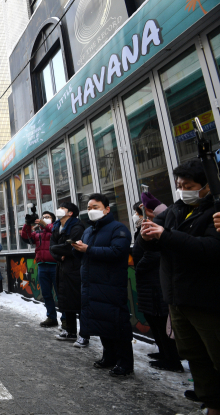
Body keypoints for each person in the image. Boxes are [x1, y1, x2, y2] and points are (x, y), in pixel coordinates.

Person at [141, 160, 220, 413]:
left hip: (206, 298)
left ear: (206, 185)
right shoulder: (176, 209)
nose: (182, 190)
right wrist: (148, 237)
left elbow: (209, 249)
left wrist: (165, 235)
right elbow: (155, 242)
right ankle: (210, 401)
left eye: (189, 185)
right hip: (177, 297)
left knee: (216, 354)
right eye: (179, 185)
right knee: (194, 355)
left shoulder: (215, 211)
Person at [72, 193, 133, 377]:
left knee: (117, 323)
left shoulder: (118, 228)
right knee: (101, 322)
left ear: (107, 209)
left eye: (95, 207)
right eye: (89, 208)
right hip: (92, 284)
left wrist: (88, 249)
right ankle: (109, 357)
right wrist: (78, 249)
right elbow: (84, 256)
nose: (91, 211)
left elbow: (117, 252)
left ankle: (125, 363)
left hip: (111, 284)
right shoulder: (89, 230)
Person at [130, 200, 183, 373]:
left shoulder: (160, 226)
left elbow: (154, 254)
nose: (138, 215)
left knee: (161, 319)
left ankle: (172, 358)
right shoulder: (142, 227)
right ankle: (164, 352)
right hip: (146, 282)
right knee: (153, 318)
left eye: (140, 211)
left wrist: (139, 267)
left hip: (155, 280)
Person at [49, 202, 88, 346]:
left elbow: (71, 246)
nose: (59, 210)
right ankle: (70, 330)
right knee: (66, 301)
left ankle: (84, 334)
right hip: (62, 267)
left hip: (75, 268)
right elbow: (51, 247)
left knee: (79, 302)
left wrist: (59, 250)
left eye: (62, 208)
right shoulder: (57, 227)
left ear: (70, 213)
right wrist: (59, 256)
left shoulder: (77, 226)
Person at [21, 210, 58, 327]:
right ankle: (51, 317)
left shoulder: (56, 228)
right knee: (46, 294)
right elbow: (26, 237)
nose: (45, 218)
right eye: (43, 217)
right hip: (42, 265)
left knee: (60, 293)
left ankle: (66, 319)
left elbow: (56, 232)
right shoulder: (38, 232)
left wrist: (46, 225)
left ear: (52, 219)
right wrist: (28, 223)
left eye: (48, 217)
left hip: (55, 265)